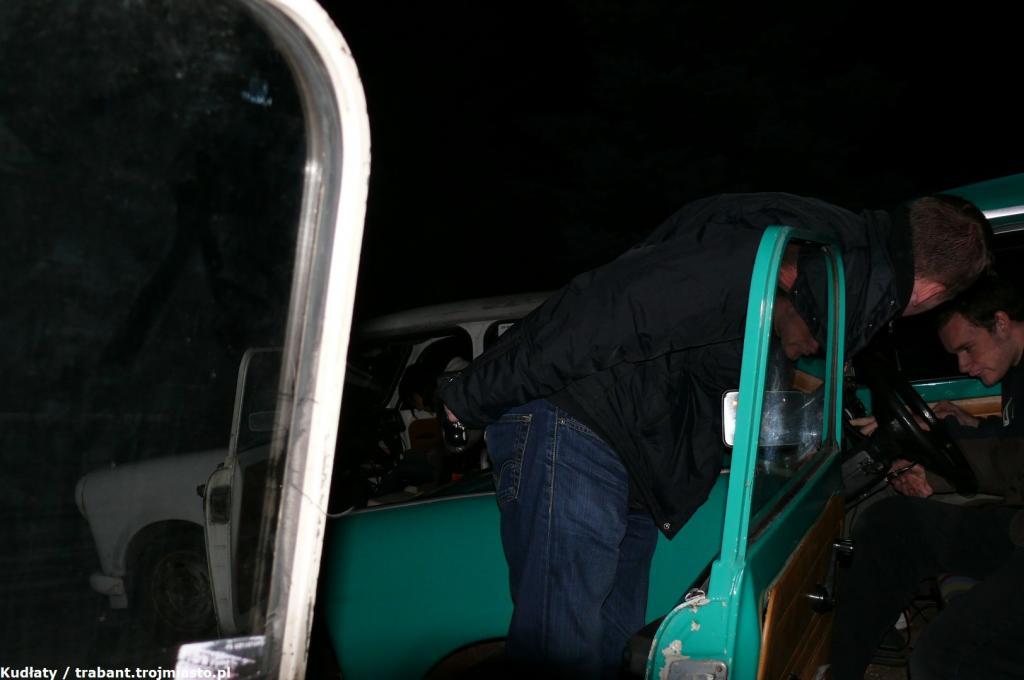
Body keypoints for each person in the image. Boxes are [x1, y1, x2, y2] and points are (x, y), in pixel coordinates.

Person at [438, 192, 992, 677]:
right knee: (562, 647)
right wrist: (471, 397)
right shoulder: (790, 255)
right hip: (580, 424)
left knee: (611, 644)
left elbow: (733, 374)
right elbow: (619, 306)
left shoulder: (834, 275)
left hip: (637, 449)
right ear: (933, 293)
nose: (812, 345)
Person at [831, 274, 1024, 679]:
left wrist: (934, 473)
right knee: (892, 524)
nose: (964, 366)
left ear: (1002, 323)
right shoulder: (1016, 369)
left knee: (942, 658)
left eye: (967, 348)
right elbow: (1012, 439)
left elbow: (1014, 459)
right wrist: (974, 425)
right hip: (1015, 526)